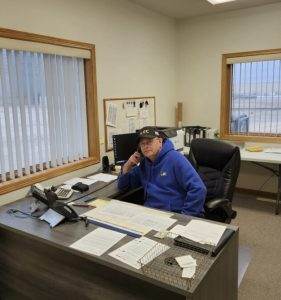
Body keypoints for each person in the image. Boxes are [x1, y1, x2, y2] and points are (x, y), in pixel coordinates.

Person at [117, 126, 207, 216]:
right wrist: (128, 164)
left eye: (149, 142)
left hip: (174, 214)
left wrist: (185, 216)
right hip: (151, 212)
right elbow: (123, 186)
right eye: (142, 144)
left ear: (160, 141)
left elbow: (198, 189)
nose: (146, 146)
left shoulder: (175, 159)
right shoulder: (145, 163)